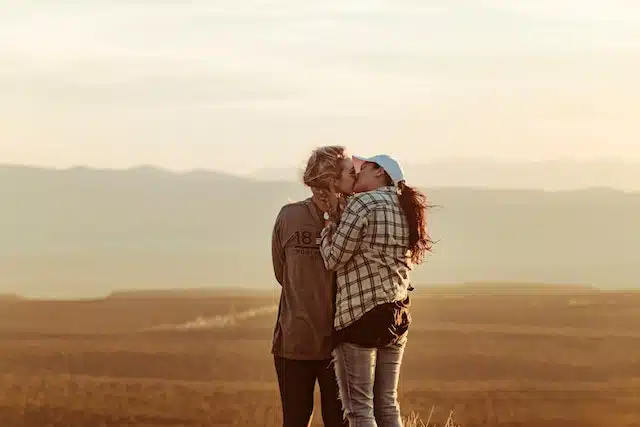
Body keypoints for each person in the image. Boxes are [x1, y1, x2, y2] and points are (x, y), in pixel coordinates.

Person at [317, 154, 432, 427]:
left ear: (380, 172)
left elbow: (333, 258)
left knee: (360, 409)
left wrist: (327, 228)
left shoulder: (363, 203)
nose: (357, 174)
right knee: (388, 404)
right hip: (398, 312)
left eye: (363, 169)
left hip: (360, 316)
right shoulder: (405, 206)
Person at [270, 146, 356, 427]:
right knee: (295, 420)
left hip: (340, 345)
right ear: (332, 179)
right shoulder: (289, 216)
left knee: (339, 422)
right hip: (294, 344)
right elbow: (282, 273)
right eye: (348, 171)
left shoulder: (354, 218)